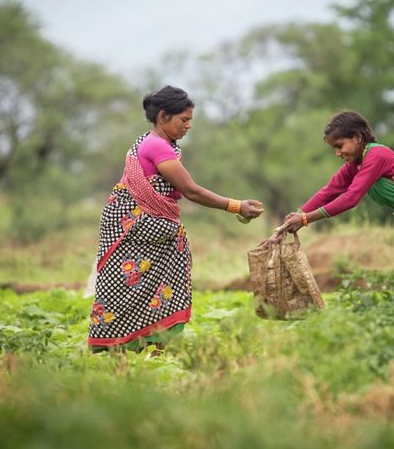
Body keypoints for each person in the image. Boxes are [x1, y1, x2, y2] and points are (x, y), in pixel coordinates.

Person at [87, 86, 264, 354]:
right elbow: (192, 191)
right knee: (127, 290)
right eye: (184, 119)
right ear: (163, 117)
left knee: (143, 290)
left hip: (141, 229)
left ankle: (147, 349)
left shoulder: (155, 143)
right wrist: (237, 206)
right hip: (134, 228)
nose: (189, 126)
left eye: (190, 119)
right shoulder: (157, 146)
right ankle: (127, 348)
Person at [269, 110, 394, 323]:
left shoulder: (378, 155)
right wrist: (292, 220)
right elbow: (329, 191)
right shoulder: (354, 166)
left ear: (358, 137)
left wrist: (305, 220)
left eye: (340, 146)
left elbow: (351, 198)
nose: (338, 153)